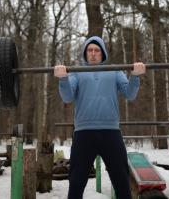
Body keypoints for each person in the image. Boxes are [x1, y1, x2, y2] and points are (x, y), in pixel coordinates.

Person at [54, 36, 146, 199]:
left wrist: (135, 76)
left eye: (97, 50)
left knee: (122, 182)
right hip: (84, 134)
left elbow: (130, 94)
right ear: (85, 53)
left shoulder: (114, 70)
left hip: (111, 133)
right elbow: (67, 97)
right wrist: (63, 79)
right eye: (90, 50)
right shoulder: (76, 72)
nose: (93, 53)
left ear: (103, 53)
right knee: (76, 183)